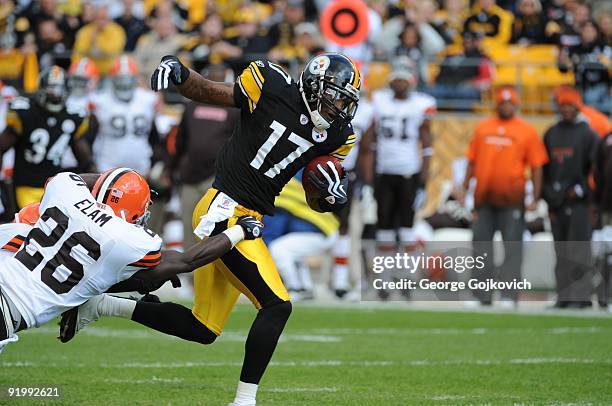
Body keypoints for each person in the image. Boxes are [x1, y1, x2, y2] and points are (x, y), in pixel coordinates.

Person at [68, 52, 360, 406]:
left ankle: (100, 304)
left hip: (250, 217)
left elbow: (317, 198)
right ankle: (245, 401)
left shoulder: (337, 134)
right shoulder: (272, 85)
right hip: (225, 208)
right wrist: (180, 70)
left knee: (203, 328)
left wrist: (331, 195)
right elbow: (209, 92)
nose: (340, 105)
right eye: (336, 95)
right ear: (315, 85)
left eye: (346, 99)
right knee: (277, 305)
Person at [0, 169, 264, 354]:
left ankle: (92, 305)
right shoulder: (126, 239)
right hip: (8, 312)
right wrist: (240, 230)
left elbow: (72, 179)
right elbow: (186, 261)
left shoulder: (65, 193)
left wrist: (109, 181)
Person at [459, 86, 548, 307]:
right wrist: (464, 187)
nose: (505, 106)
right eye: (502, 102)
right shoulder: (483, 128)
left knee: (512, 248)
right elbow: (472, 161)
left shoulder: (527, 130)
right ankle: (481, 295)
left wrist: (535, 196)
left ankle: (509, 295)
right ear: (496, 104)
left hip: (512, 200)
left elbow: (536, 166)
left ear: (516, 105)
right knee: (481, 247)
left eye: (509, 103)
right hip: (484, 199)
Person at [360, 58, 435, 299]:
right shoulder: (379, 102)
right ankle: (384, 280)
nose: (400, 83)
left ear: (411, 81)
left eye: (404, 79)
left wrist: (423, 181)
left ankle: (408, 279)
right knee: (383, 229)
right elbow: (369, 143)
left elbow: (426, 144)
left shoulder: (421, 104)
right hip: (384, 173)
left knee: (407, 229)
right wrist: (369, 180)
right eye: (396, 79)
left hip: (408, 173)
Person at [0, 66, 94, 209]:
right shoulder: (25, 113)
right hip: (25, 185)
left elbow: (85, 160)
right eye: (51, 89)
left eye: (59, 90)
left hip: (54, 187)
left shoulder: (73, 117)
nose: (55, 94)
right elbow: (1, 147)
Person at [169, 64, 239, 249]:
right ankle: (190, 274)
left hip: (217, 178)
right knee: (188, 224)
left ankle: (210, 273)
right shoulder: (192, 105)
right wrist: (171, 169)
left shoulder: (235, 108)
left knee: (213, 228)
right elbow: (181, 141)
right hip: (190, 175)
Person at [543, 89, 599, 308]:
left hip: (580, 203)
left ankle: (581, 297)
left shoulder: (589, 135)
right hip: (557, 201)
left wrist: (584, 189)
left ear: (578, 108)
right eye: (562, 105)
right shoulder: (551, 133)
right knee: (561, 250)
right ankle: (563, 296)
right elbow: (544, 168)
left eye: (570, 105)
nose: (566, 109)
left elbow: (596, 170)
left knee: (579, 250)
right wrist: (548, 197)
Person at [264, 169, 339, 300]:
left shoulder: (277, 190)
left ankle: (295, 288)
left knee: (278, 248)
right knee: (292, 251)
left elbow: (272, 233)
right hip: (325, 228)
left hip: (318, 229)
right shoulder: (288, 181)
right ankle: (306, 287)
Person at [91, 55, 160, 175]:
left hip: (141, 166)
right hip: (107, 166)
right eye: (120, 79)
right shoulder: (99, 100)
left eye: (128, 79)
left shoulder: (148, 99)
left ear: (136, 79)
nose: (124, 84)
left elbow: (154, 134)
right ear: (112, 79)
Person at [72, 4, 126, 75]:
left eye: (104, 18)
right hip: (89, 72)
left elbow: (113, 50)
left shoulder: (117, 31)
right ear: (94, 18)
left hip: (111, 72)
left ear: (109, 18)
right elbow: (78, 52)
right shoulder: (85, 31)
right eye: (99, 18)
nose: (101, 21)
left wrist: (96, 43)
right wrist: (90, 44)